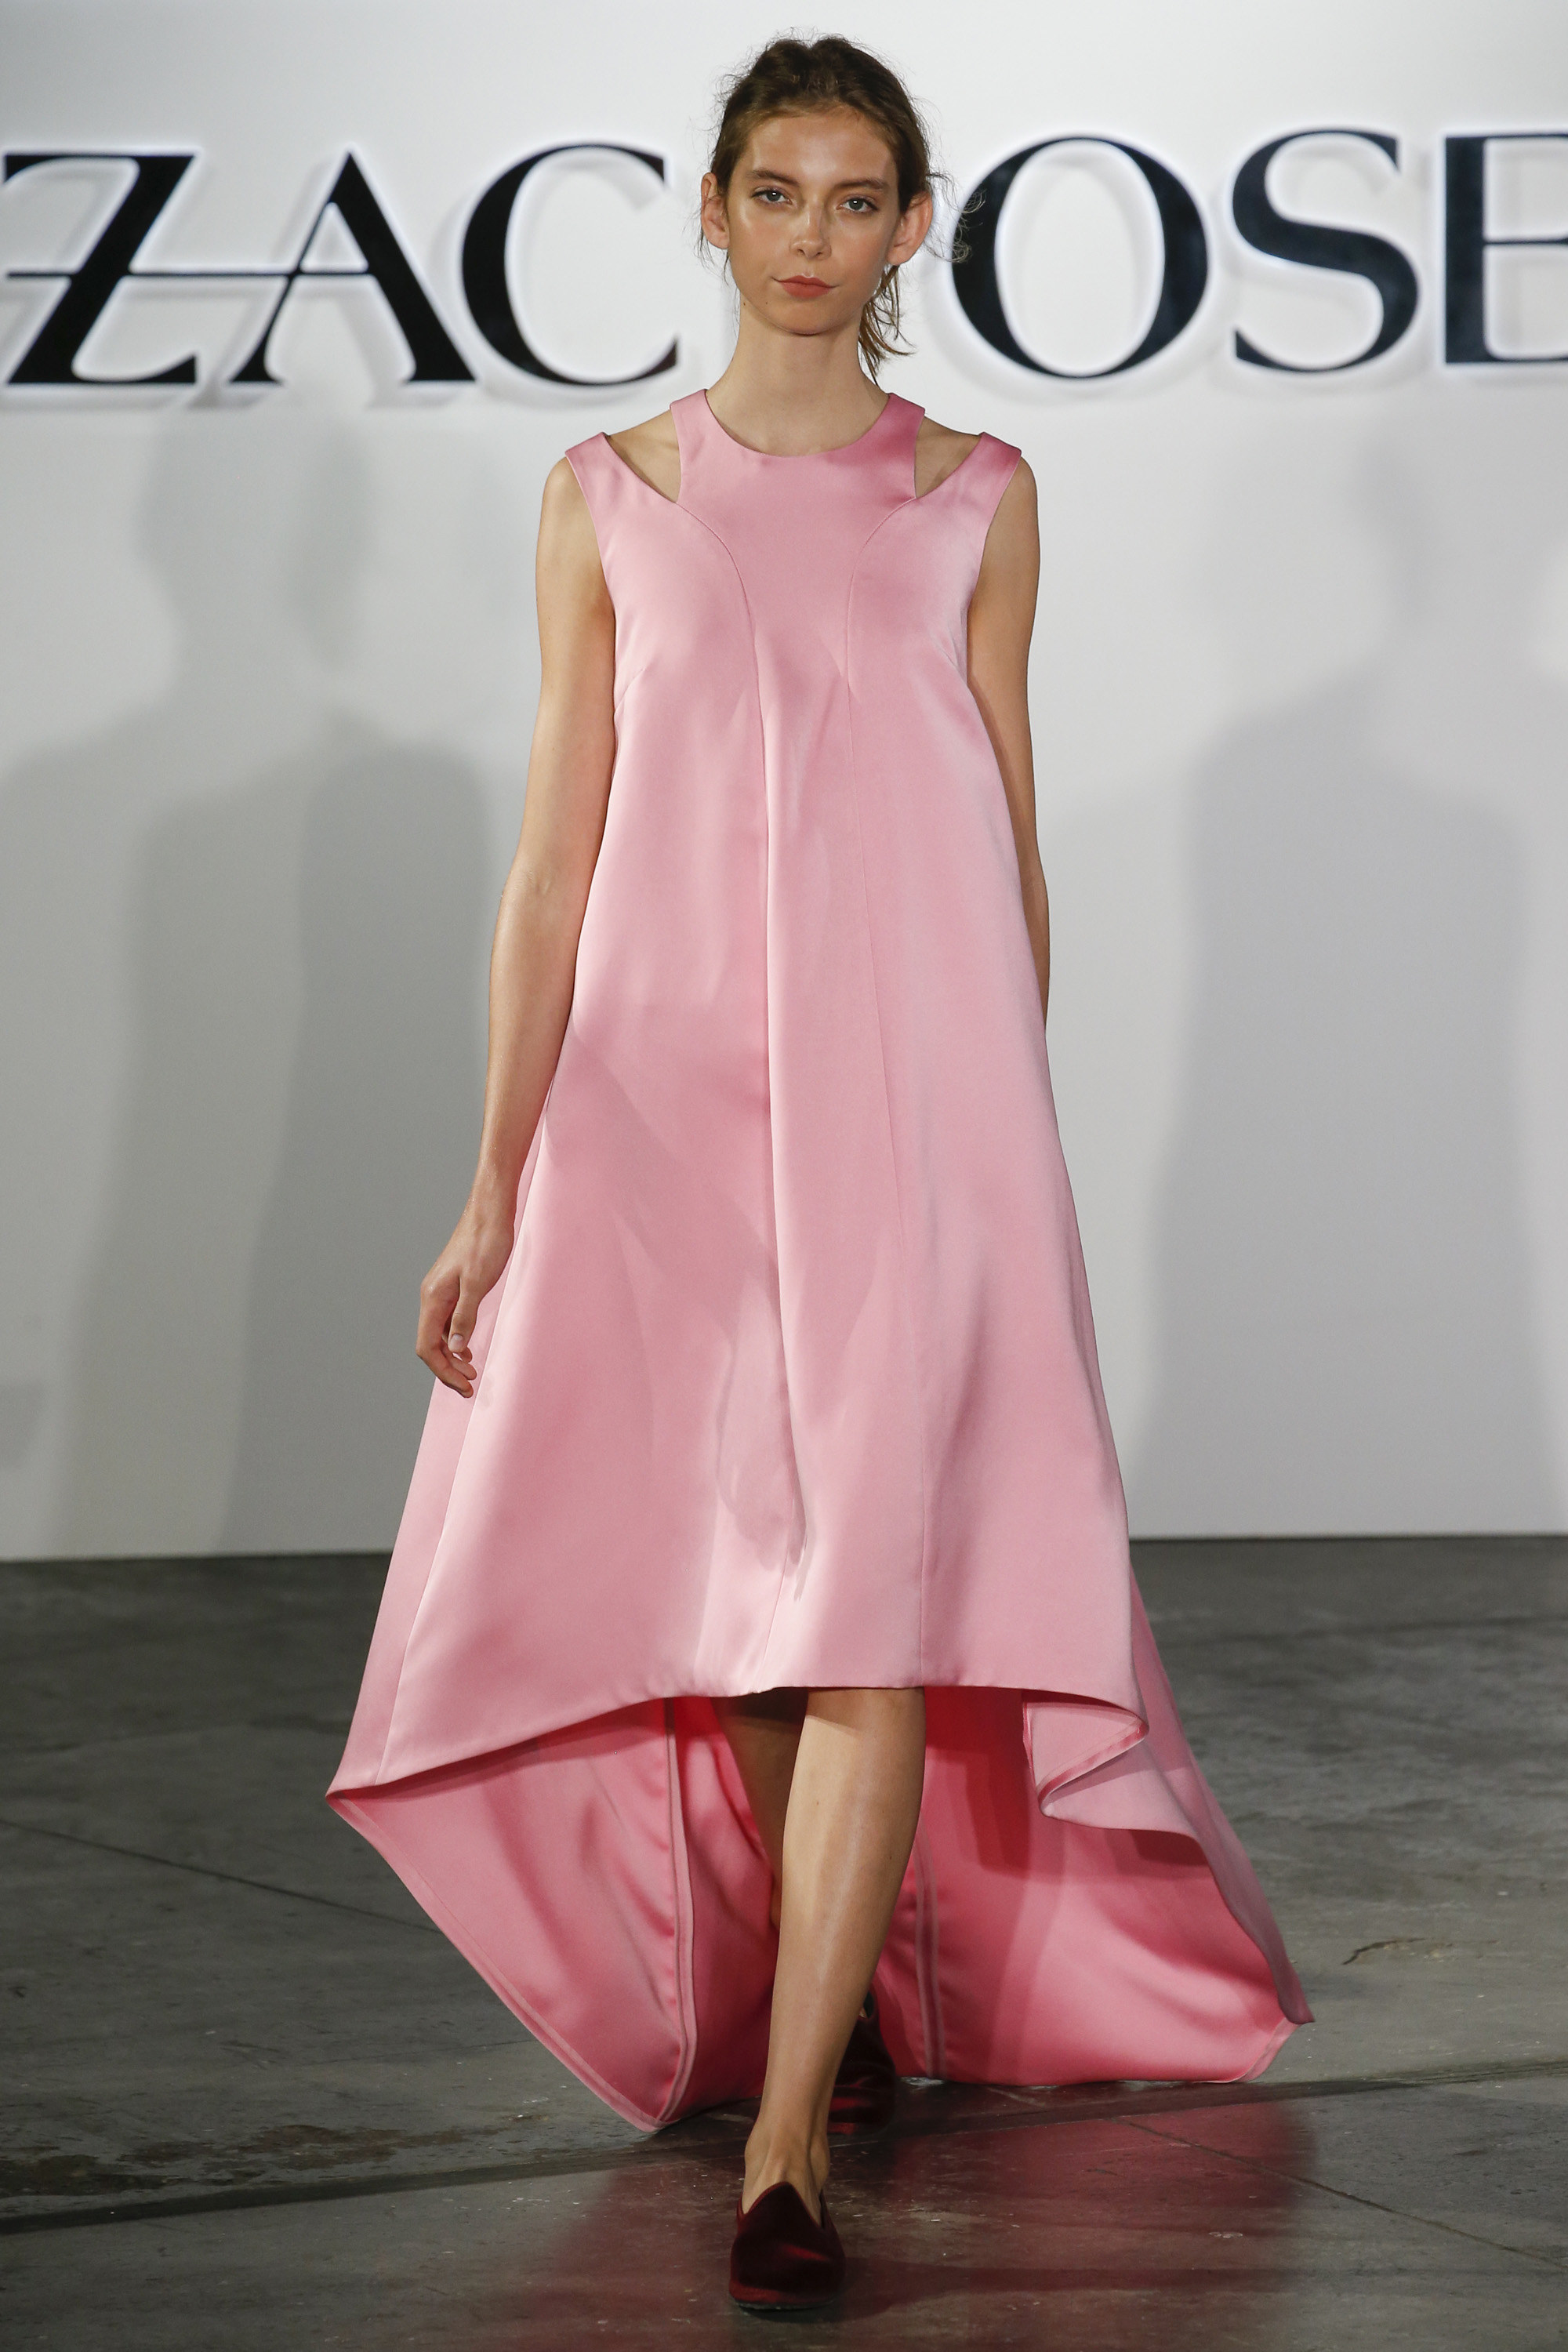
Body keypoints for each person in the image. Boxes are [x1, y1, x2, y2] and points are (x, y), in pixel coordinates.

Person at [328, 34, 1309, 2317]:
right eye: (776, 192)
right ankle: (836, 1988)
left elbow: (1008, 836)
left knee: (867, 1591)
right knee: (732, 1598)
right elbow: (554, 866)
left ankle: (783, 2156)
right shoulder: (606, 493)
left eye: (857, 200)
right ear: (711, 208)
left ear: (910, 230)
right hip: (658, 1116)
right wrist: (494, 1179)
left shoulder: (979, 493)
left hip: (914, 1119)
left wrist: (1000, 1136)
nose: (812, 237)